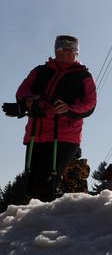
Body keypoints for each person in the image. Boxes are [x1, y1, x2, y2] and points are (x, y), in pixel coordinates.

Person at [3, 35, 97, 203]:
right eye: (61, 51)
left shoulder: (83, 77)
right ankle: (45, 220)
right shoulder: (40, 71)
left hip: (64, 136)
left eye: (70, 52)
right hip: (35, 134)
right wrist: (29, 100)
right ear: (55, 51)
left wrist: (69, 109)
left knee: (46, 186)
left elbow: (90, 104)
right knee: (31, 187)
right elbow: (22, 91)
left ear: (76, 53)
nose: (65, 55)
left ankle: (58, 218)